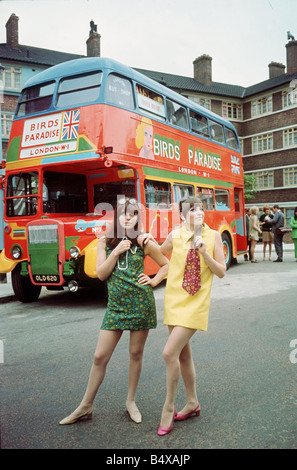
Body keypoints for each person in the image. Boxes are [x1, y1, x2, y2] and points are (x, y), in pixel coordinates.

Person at [59, 197, 169, 425]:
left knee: (135, 354)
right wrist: (115, 252)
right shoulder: (105, 242)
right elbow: (101, 274)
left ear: (138, 217)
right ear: (117, 216)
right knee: (99, 356)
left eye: (133, 213)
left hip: (141, 303)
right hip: (116, 308)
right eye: (124, 213)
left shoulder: (144, 241)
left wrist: (155, 280)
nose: (128, 217)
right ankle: (85, 405)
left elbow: (166, 264)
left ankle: (130, 401)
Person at [156, 197, 226, 436]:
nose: (198, 213)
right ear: (182, 216)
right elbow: (156, 254)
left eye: (201, 209)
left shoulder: (214, 236)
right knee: (183, 355)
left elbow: (221, 272)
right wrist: (155, 277)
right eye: (192, 210)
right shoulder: (175, 236)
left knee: (169, 352)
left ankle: (168, 407)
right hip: (174, 301)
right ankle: (192, 402)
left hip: (195, 304)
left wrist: (205, 254)